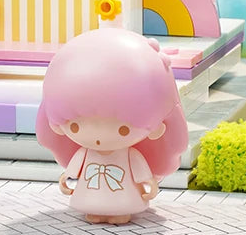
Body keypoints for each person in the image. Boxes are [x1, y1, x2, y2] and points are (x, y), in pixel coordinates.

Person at [36, 28, 188, 224]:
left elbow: (141, 171)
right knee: (94, 210)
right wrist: (66, 178)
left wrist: (150, 184)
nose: (98, 137)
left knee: (120, 209)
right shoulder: (85, 153)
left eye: (122, 129)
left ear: (156, 126)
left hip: (124, 197)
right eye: (75, 126)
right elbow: (73, 169)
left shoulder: (130, 155)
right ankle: (96, 212)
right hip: (89, 196)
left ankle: (119, 213)